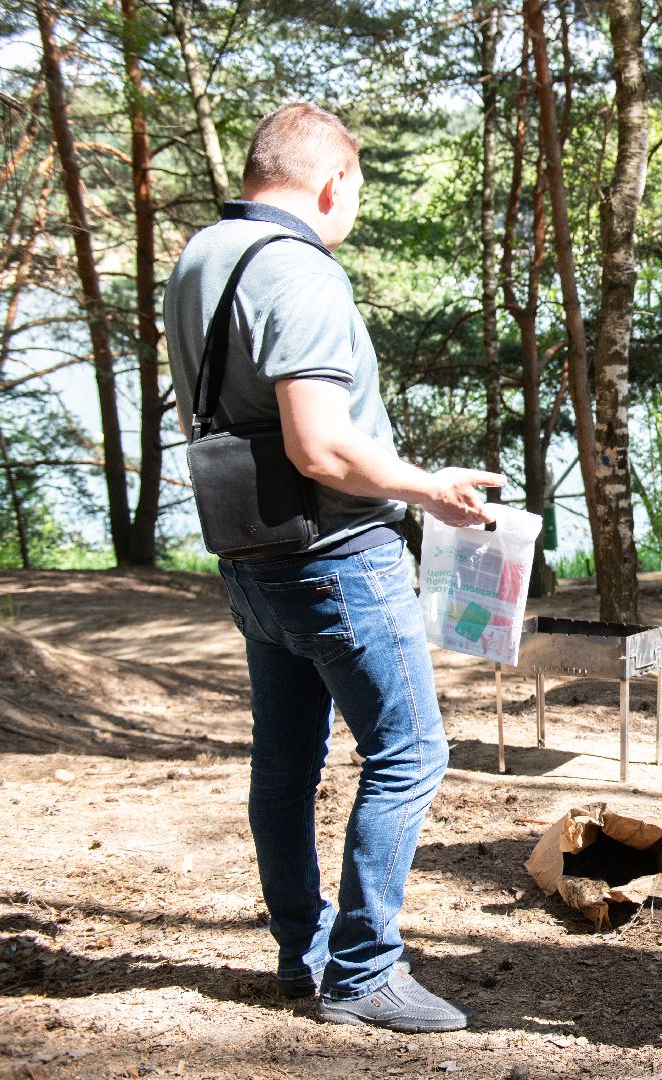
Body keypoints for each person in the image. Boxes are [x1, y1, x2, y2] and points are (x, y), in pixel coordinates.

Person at [164, 103, 503, 1031]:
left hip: (253, 555)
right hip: (336, 556)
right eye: (356, 190)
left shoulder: (201, 256)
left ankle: (301, 953)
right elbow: (318, 444)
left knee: (285, 761)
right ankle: (362, 972)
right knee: (411, 753)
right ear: (332, 183)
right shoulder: (299, 269)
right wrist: (428, 487)